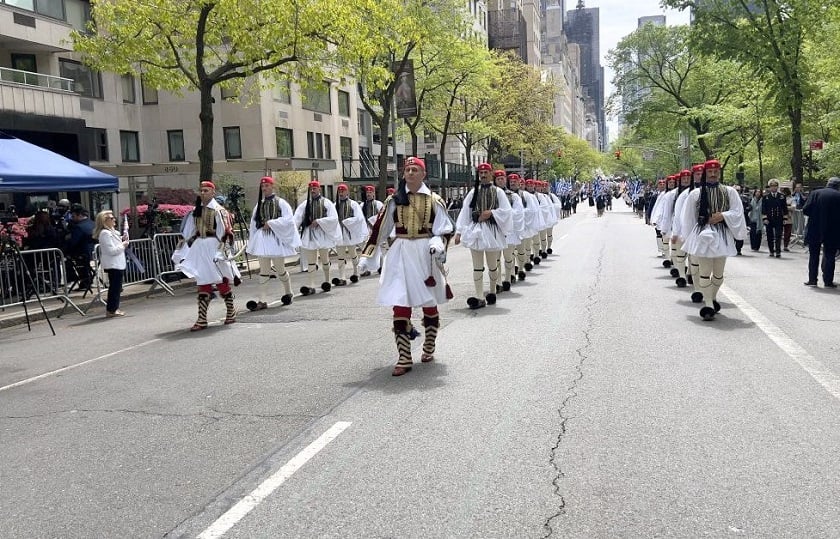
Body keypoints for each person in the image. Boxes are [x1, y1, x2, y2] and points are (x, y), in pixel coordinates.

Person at [362, 156, 454, 376]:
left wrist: (436, 243)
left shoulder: (434, 200)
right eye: (407, 170)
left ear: (423, 174)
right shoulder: (393, 200)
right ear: (403, 175)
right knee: (400, 302)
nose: (411, 173)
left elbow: (444, 229)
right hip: (400, 253)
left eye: (415, 169)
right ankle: (404, 356)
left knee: (428, 302)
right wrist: (369, 255)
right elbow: (380, 230)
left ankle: (429, 345)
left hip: (424, 254)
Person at [675, 159, 747, 321]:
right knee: (705, 272)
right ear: (705, 174)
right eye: (710, 172)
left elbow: (737, 211)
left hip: (721, 235)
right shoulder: (695, 194)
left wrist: (723, 215)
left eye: (716, 172)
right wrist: (688, 237)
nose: (713, 174)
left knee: (719, 274)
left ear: (719, 173)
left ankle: (712, 297)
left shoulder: (730, 192)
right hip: (702, 236)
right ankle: (708, 304)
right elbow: (687, 218)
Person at [178, 181, 239, 331]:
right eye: (201, 190)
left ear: (213, 192)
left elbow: (224, 233)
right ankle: (202, 318)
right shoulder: (195, 211)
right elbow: (188, 232)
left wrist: (221, 251)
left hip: (214, 247)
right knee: (202, 280)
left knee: (221, 280)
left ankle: (230, 310)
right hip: (200, 247)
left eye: (206, 190)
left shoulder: (219, 211)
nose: (203, 193)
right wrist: (182, 249)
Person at [454, 163, 513, 309]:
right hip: (476, 231)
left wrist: (492, 213)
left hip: (492, 231)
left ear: (491, 173)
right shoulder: (473, 192)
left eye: (486, 172)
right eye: (481, 173)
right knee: (477, 266)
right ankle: (479, 296)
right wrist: (459, 231)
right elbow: (465, 212)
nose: (483, 175)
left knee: (493, 265)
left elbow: (506, 211)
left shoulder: (498, 192)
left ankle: (492, 291)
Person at [245, 176, 299, 310]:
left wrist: (271, 223)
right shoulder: (259, 204)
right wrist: (253, 238)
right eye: (262, 187)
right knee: (263, 271)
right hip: (263, 240)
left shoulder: (281, 203)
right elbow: (253, 223)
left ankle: (289, 292)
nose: (264, 189)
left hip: (275, 240)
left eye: (267, 186)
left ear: (272, 186)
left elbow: (288, 220)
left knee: (280, 270)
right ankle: (262, 300)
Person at [293, 180, 341, 295]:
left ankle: (327, 281)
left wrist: (319, 221)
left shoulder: (326, 202)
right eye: (311, 189)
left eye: (315, 188)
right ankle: (311, 285)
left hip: (322, 234)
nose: (313, 190)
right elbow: (297, 219)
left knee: (325, 259)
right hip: (309, 234)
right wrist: (292, 232)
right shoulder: (305, 204)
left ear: (319, 189)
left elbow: (333, 218)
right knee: (311, 261)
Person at [802, 177, 840, 288]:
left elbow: (806, 209)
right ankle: (828, 281)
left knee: (813, 255)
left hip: (815, 227)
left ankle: (812, 279)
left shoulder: (815, 193)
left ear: (827, 184)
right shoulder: (838, 196)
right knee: (829, 255)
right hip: (833, 229)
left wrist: (815, 216)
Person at [93, 210, 129, 317]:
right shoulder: (105, 234)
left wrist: (122, 240)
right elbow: (111, 251)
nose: (114, 220)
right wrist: (123, 245)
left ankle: (114, 308)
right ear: (105, 221)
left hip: (118, 263)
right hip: (113, 264)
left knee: (117, 287)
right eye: (111, 218)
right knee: (114, 287)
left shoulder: (112, 232)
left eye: (114, 218)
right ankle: (111, 309)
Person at [332, 183, 368, 286]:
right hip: (339, 234)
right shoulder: (335, 205)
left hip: (349, 233)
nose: (341, 193)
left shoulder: (353, 204)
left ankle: (356, 273)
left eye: (343, 191)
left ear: (347, 192)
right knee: (340, 256)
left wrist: (348, 222)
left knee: (353, 254)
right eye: (339, 191)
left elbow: (359, 218)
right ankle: (342, 277)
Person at [64, 205, 95, 290]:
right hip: (93, 252)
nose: (72, 218)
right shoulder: (92, 223)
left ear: (80, 215)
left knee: (67, 260)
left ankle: (78, 279)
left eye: (73, 216)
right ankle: (86, 280)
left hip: (82, 253)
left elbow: (73, 242)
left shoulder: (79, 227)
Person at [358, 185, 385, 277]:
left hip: (376, 229)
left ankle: (381, 267)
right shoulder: (362, 205)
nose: (368, 194)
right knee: (366, 250)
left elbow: (382, 217)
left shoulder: (378, 204)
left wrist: (375, 226)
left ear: (374, 193)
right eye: (367, 193)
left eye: (370, 192)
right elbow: (360, 218)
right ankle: (365, 269)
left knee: (379, 249)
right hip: (366, 230)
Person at [761, 179, 787, 258]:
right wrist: (765, 218)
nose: (773, 188)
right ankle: (771, 250)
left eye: (775, 186)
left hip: (779, 218)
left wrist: (785, 218)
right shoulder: (766, 197)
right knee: (770, 236)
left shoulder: (782, 196)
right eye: (772, 186)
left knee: (778, 235)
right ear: (769, 187)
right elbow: (764, 208)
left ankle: (778, 251)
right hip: (769, 219)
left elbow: (784, 208)